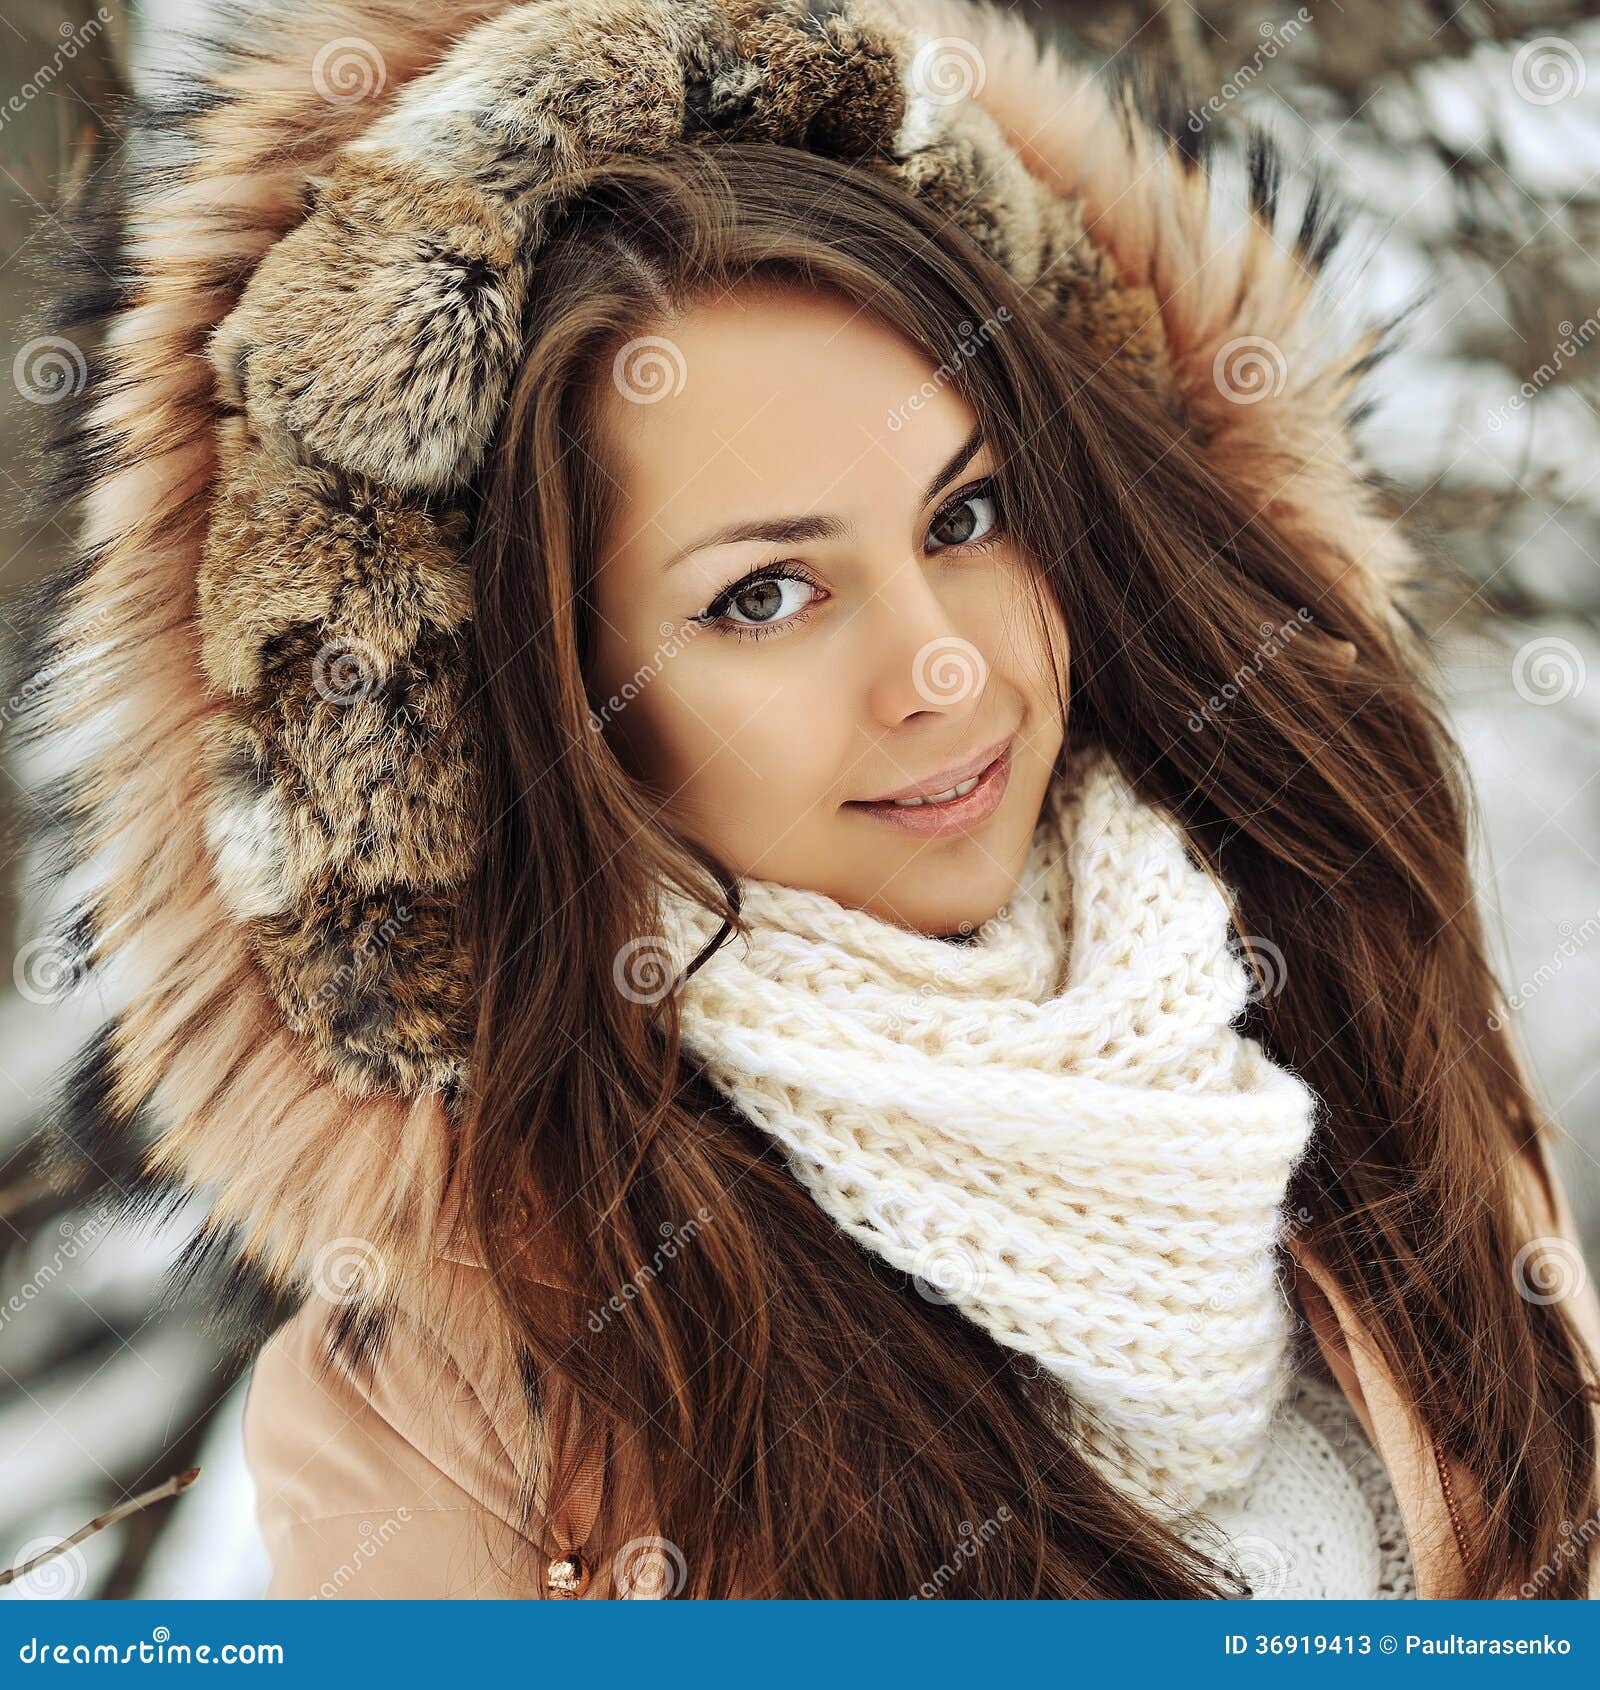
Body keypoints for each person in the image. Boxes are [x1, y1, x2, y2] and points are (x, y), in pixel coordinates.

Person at [19, 0, 1598, 1599]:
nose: (943, 673)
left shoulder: (1362, 1032)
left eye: (967, 513)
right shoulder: (450, 1432)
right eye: (765, 596)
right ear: (555, 711)